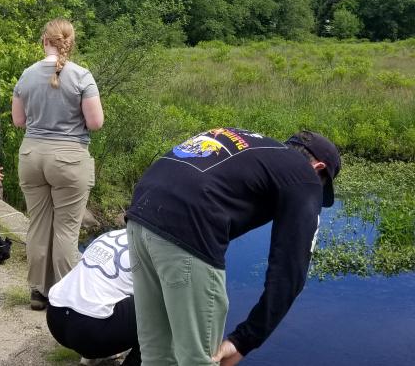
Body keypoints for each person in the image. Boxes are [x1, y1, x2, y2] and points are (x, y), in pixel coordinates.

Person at [125, 128, 342, 366]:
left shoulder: (258, 147)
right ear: (319, 168)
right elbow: (289, 272)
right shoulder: (305, 176)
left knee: (157, 356)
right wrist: (244, 340)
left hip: (140, 215)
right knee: (199, 360)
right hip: (188, 228)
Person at [11, 18, 104, 311]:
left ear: (44, 41)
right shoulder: (81, 76)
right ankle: (65, 297)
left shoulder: (26, 75)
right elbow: (96, 122)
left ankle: (38, 291)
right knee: (66, 230)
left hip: (31, 156)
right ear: (70, 43)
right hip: (68, 158)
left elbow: (19, 121)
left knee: (38, 225)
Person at [47, 229, 140, 366]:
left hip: (55, 318)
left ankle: (90, 356)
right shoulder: (156, 248)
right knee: (162, 306)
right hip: (91, 332)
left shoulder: (110, 235)